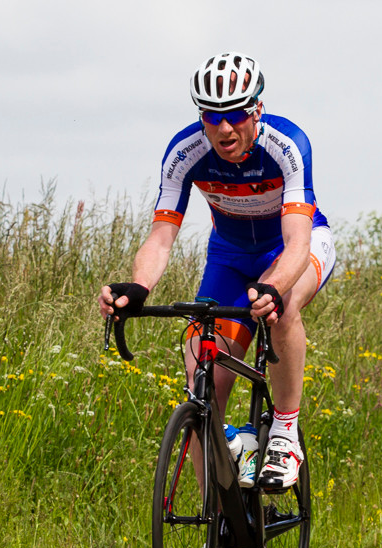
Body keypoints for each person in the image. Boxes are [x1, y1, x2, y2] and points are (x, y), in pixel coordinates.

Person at [99, 51, 335, 491]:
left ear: (257, 110)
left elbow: (298, 244)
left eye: (236, 115)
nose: (224, 128)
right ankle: (218, 519)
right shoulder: (184, 151)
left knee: (282, 309)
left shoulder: (287, 144)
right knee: (201, 378)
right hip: (228, 257)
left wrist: (274, 287)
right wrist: (139, 286)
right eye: (212, 116)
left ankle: (284, 433)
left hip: (291, 247)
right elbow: (161, 237)